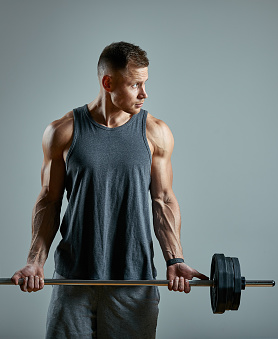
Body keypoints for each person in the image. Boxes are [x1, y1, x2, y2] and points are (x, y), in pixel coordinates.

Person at [11, 41, 207, 338]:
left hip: (134, 283)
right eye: (136, 84)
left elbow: (163, 200)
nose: (144, 93)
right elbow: (49, 201)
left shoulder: (156, 132)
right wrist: (35, 262)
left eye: (145, 83)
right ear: (108, 82)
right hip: (73, 281)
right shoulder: (63, 131)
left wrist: (175, 259)